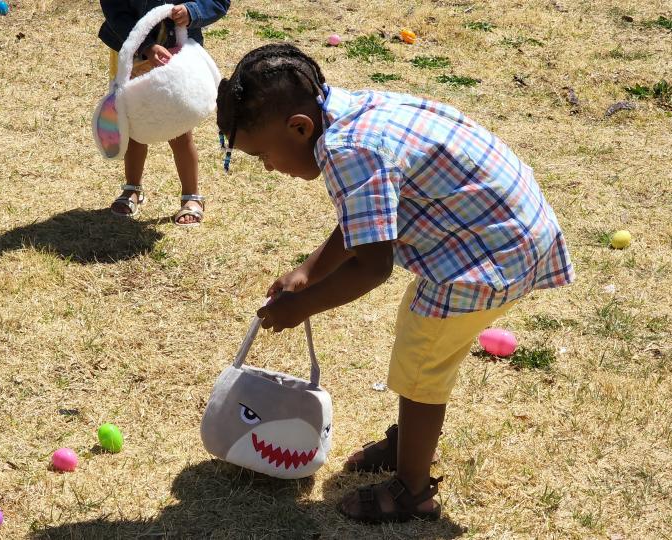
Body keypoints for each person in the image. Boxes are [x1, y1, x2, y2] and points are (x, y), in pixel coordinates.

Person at [216, 44, 575, 523]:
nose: (266, 166)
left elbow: (372, 266)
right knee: (420, 344)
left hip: (490, 252)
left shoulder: (348, 151)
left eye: (261, 154)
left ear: (299, 127)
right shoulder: (347, 113)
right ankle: (411, 439)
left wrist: (302, 307)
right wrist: (309, 271)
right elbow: (366, 219)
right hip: (506, 229)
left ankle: (412, 490)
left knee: (422, 365)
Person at [98, 0, 230, 226]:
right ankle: (132, 188)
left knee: (180, 128)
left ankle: (191, 196)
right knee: (133, 123)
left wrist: (192, 12)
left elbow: (219, 2)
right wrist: (146, 45)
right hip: (132, 51)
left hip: (177, 54)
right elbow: (115, 10)